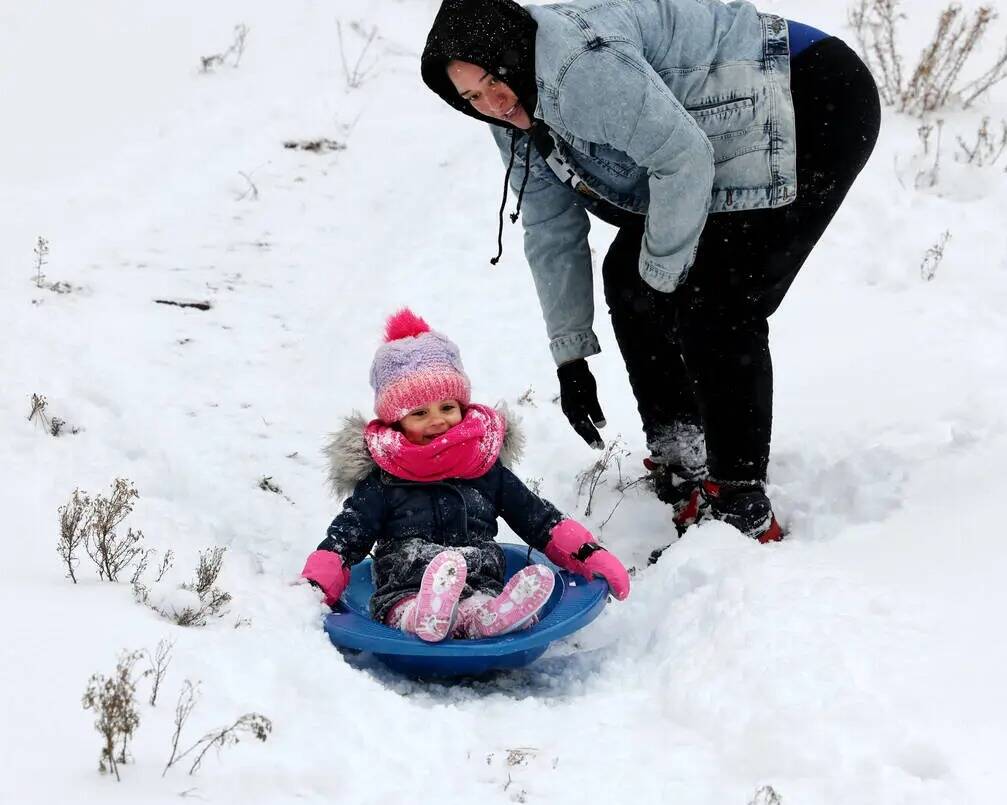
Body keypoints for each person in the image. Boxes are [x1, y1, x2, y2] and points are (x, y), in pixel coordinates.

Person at [420, 0, 881, 544]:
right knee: (631, 276)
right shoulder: (513, 111)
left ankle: (741, 501)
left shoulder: (579, 69)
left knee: (719, 299)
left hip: (810, 91)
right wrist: (570, 355)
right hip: (727, 126)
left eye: (493, 81)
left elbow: (683, 158)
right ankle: (683, 453)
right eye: (471, 97)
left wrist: (663, 285)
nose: (492, 104)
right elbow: (549, 228)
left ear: (514, 56)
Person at [300, 308, 630, 642]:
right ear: (395, 421)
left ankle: (490, 617)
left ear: (462, 406)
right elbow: (347, 538)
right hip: (405, 588)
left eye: (447, 407)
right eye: (419, 413)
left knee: (478, 601)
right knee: (409, 602)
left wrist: (588, 553)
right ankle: (425, 615)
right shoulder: (384, 478)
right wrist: (315, 588)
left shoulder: (484, 467)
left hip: (478, 577)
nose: (438, 421)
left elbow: (538, 518)